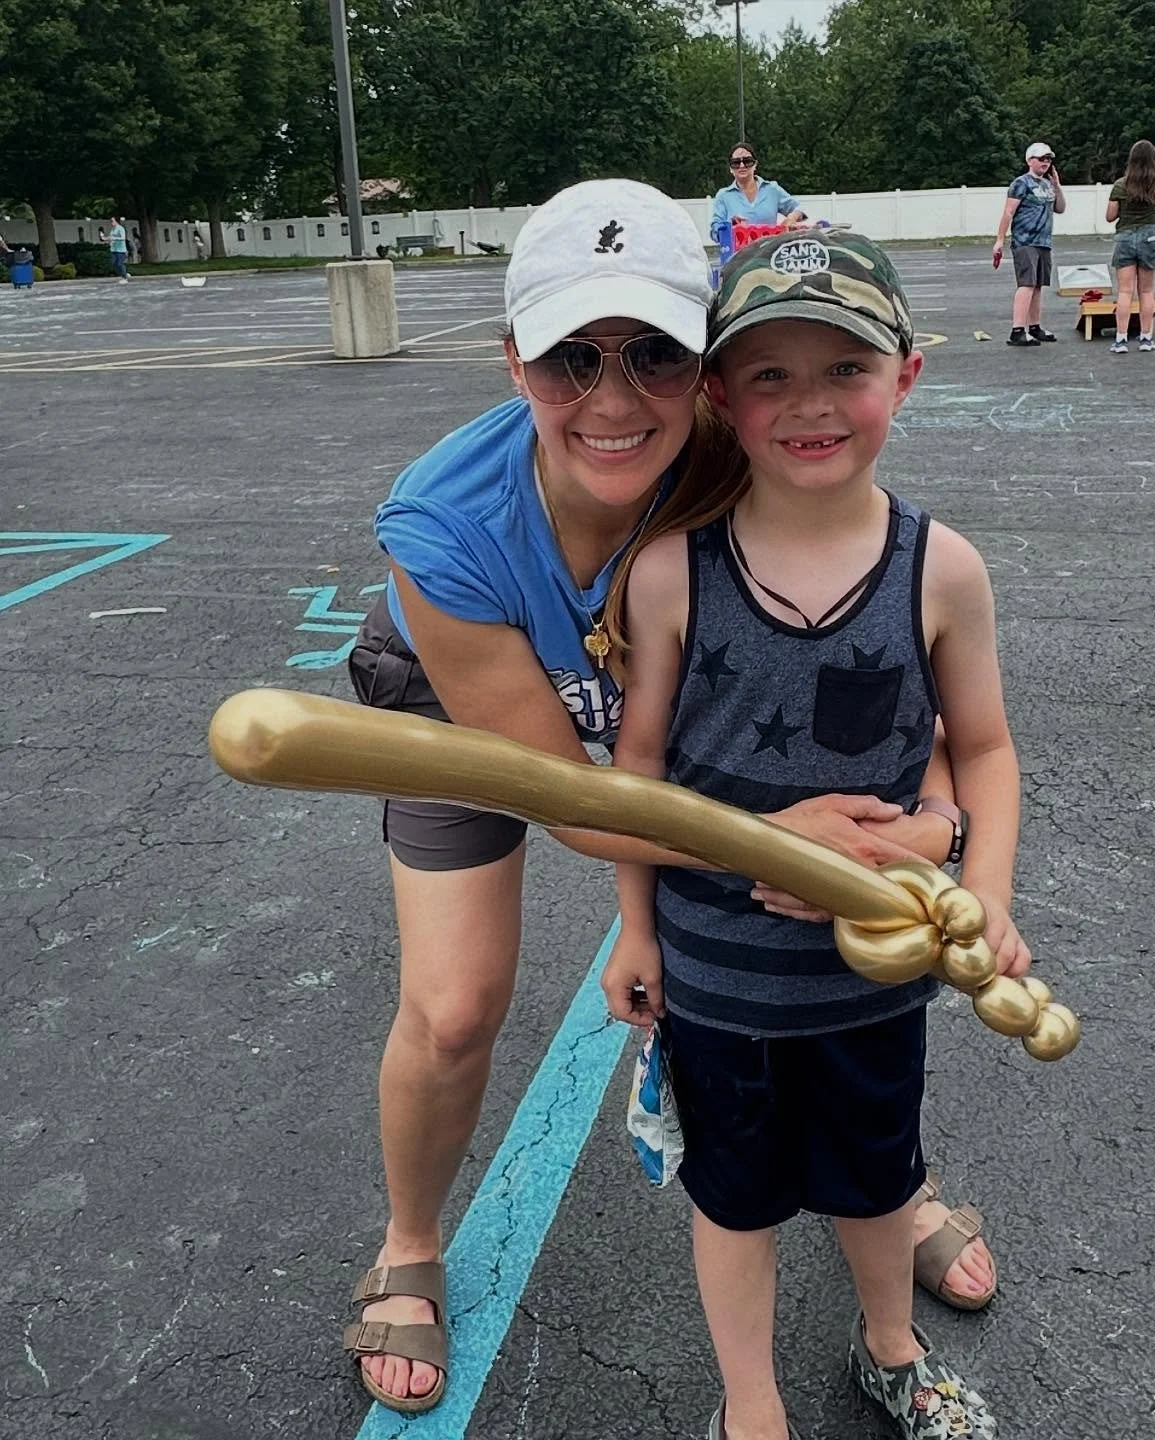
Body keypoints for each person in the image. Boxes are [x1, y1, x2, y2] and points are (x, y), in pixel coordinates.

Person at [339, 179, 991, 1414]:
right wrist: (765, 839)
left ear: (709, 361)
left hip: (663, 721)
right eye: (568, 359)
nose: (614, 396)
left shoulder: (753, 440)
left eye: (653, 353)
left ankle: (886, 1181)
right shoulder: (445, 530)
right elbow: (575, 800)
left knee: (840, 973)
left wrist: (936, 823)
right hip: (473, 716)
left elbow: (913, 684)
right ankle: (410, 1242)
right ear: (511, 361)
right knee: (456, 1001)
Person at [601, 231, 1029, 1440]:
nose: (810, 404)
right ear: (722, 400)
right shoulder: (674, 572)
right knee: (733, 1201)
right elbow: (636, 778)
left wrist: (981, 887)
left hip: (873, 980)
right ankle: (752, 1404)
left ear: (908, 373)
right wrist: (633, 928)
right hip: (720, 981)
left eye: (845, 365)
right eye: (771, 375)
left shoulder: (940, 570)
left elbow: (985, 749)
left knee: (879, 1176)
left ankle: (891, 1348)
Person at [993, 141, 1066, 346]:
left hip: (1044, 242)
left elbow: (1060, 208)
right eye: (1042, 158)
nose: (1046, 162)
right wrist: (1000, 239)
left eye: (1049, 159)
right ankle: (1017, 330)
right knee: (1026, 284)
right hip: (1025, 241)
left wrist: (1057, 186)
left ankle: (1035, 326)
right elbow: (1008, 212)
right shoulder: (1021, 183)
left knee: (1038, 286)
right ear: (1030, 160)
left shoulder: (1047, 185)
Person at [1106, 140, 1155, 355]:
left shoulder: (1121, 185)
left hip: (1125, 236)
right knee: (1147, 290)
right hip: (1150, 235)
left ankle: (1121, 339)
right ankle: (1146, 338)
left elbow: (1110, 216)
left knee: (1125, 291)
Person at [710, 142, 807, 248]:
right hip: (738, 258)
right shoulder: (723, 196)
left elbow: (799, 208)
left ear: (755, 164)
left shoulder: (771, 189)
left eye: (747, 161)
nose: (742, 165)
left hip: (768, 255)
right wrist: (730, 225)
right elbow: (714, 231)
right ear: (730, 168)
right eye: (736, 163)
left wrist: (792, 217)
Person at [108, 217, 129, 282]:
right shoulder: (112, 230)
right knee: (114, 263)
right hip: (114, 249)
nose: (111, 223)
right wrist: (108, 240)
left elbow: (123, 238)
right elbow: (111, 238)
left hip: (121, 249)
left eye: (113, 221)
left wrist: (114, 238)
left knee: (120, 263)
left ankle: (124, 278)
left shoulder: (120, 228)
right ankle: (124, 273)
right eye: (111, 221)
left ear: (116, 221)